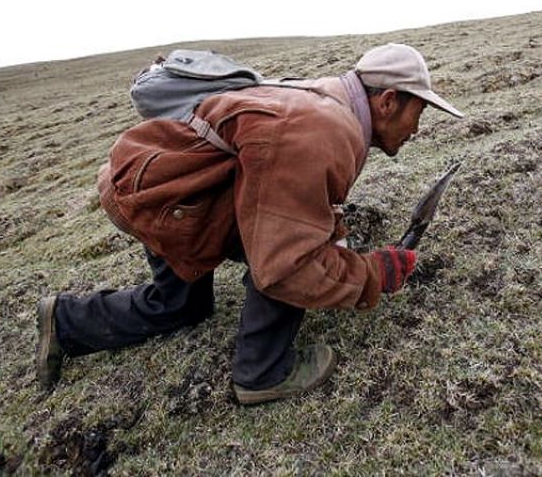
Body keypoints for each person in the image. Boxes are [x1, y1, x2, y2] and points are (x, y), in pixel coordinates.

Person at [36, 43, 464, 405]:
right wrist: (372, 274)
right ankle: (262, 374)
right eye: (419, 112)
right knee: (295, 249)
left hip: (162, 186)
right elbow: (288, 265)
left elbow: (289, 191)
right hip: (168, 201)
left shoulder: (325, 96)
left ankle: (66, 321)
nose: (417, 129)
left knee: (181, 305)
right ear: (387, 101)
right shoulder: (323, 128)